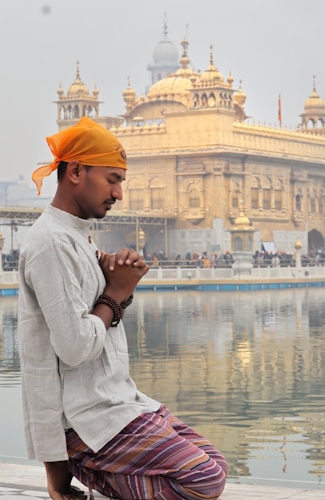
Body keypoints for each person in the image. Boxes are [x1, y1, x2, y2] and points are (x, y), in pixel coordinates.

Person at [18, 117, 228, 500]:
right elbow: (73, 347)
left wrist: (119, 285)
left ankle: (85, 475)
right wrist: (116, 293)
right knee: (204, 480)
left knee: (216, 463)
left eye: (120, 182)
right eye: (112, 179)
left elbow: (97, 321)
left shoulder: (77, 237)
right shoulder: (50, 243)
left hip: (120, 402)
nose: (118, 193)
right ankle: (86, 468)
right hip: (89, 419)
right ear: (77, 171)